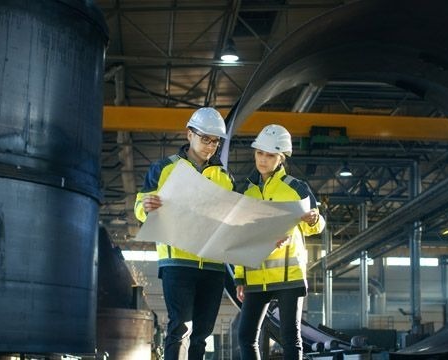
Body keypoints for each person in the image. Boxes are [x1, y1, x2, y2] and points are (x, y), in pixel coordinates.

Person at [134, 107, 234, 360]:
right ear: (189, 134)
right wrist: (146, 208)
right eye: (205, 139)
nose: (211, 146)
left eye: (215, 141)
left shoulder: (224, 177)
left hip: (213, 265)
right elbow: (140, 206)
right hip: (178, 262)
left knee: (202, 334)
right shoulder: (164, 169)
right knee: (181, 328)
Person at [234, 124, 326, 360]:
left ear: (282, 158)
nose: (263, 159)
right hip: (255, 274)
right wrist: (240, 277)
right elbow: (240, 238)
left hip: (288, 275)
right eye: (260, 153)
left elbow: (313, 227)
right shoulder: (247, 192)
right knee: (245, 336)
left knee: (290, 337)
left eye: (270, 155)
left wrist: (315, 219)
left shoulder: (296, 189)